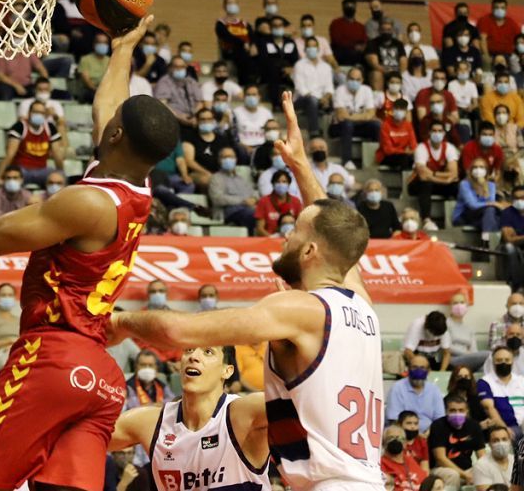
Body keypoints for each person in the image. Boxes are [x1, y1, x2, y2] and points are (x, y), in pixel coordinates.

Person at [0, 13, 179, 491]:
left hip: (52, 353)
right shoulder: (135, 184)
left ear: (116, 136)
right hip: (100, 375)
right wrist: (123, 47)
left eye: (112, 124)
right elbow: (111, 105)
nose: (106, 119)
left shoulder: (87, 202)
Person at [109, 90, 384, 490]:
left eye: (294, 233)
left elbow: (181, 332)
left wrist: (120, 321)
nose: (284, 237)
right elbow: (338, 234)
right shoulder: (363, 308)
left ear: (309, 251)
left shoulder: (302, 308)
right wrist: (301, 166)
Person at [105, 345, 268, 491]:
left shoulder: (244, 413)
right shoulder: (151, 422)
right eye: (189, 350)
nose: (194, 356)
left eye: (208, 352)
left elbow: (291, 402)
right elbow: (89, 438)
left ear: (227, 370)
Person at [409, 121, 461, 231]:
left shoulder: (449, 148)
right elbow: (423, 174)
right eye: (434, 131)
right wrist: (444, 179)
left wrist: (433, 174)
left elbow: (454, 173)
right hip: (418, 184)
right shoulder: (421, 148)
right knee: (425, 184)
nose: (437, 133)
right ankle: (426, 220)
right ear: (429, 133)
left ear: (444, 133)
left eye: (439, 131)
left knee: (456, 185)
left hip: (435, 182)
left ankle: (457, 219)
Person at [428, 394, 486, 489]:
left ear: (467, 411)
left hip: (467, 469)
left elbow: (482, 456)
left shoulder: (474, 425)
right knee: (453, 474)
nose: (457, 413)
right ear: (446, 411)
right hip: (441, 469)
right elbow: (440, 458)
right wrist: (464, 475)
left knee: (487, 470)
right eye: (453, 410)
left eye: (461, 410)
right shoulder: (438, 425)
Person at [329, 66, 380, 170]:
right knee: (347, 124)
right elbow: (341, 115)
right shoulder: (340, 90)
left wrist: (352, 116)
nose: (354, 82)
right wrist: (363, 116)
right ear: (347, 79)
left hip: (358, 126)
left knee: (376, 125)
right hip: (338, 127)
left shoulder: (367, 90)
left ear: (362, 80)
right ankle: (347, 160)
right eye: (352, 79)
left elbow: (371, 114)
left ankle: (376, 160)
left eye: (357, 79)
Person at [384, 354, 446, 431]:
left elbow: (439, 419)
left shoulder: (434, 390)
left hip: (429, 434)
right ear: (408, 369)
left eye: (422, 368)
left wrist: (429, 434)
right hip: (403, 432)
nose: (418, 371)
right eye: (415, 367)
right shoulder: (397, 388)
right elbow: (393, 420)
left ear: (429, 371)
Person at [453, 157, 506, 239]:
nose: (478, 170)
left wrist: (484, 187)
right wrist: (492, 204)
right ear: (470, 171)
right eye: (475, 167)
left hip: (482, 217)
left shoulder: (491, 185)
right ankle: (490, 242)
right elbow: (472, 205)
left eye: (481, 167)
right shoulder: (464, 184)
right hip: (464, 216)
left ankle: (487, 240)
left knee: (497, 217)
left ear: (486, 171)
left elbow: (491, 202)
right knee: (491, 211)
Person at [208, 146, 258, 233]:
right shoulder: (216, 178)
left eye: (231, 157)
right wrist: (243, 201)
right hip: (228, 213)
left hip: (247, 209)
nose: (228, 159)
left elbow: (253, 192)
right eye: (225, 157)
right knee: (250, 215)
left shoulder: (241, 178)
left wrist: (254, 199)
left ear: (236, 159)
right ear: (219, 160)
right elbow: (217, 199)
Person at [293, 36, 335, 135]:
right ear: (305, 49)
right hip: (302, 99)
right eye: (309, 46)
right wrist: (318, 99)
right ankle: (314, 131)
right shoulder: (299, 65)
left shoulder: (326, 67)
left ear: (318, 49)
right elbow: (300, 88)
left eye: (314, 46)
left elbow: (329, 87)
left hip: (321, 99)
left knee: (336, 100)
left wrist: (326, 97)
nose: (312, 49)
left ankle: (332, 132)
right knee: (312, 100)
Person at [478, 347, 524, 437]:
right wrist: (504, 429)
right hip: (502, 429)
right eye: (499, 360)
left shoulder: (521, 381)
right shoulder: (485, 382)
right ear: (493, 363)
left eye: (507, 360)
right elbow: (489, 408)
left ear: (512, 362)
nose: (503, 363)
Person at [447, 292, 488, 372]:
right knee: (489, 355)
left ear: (466, 306)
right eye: (455, 303)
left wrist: (472, 355)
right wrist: (467, 354)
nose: (459, 306)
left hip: (469, 359)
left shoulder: (469, 328)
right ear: (450, 307)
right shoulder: (446, 324)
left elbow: (474, 350)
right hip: (453, 359)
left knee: (487, 366)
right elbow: (448, 348)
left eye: (462, 302)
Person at [254, 170, 302, 236]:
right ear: (273, 184)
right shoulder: (264, 201)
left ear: (289, 184)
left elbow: (301, 226)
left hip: (292, 240)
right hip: (269, 240)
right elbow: (259, 228)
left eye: (284, 182)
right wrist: (272, 239)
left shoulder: (296, 201)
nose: (281, 184)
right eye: (278, 182)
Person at [380, 425, 426, 491]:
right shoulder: (380, 463)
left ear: (405, 443)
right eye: (390, 438)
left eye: (399, 438)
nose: (395, 441)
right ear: (383, 443)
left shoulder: (409, 460)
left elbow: (424, 481)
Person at [377, 99, 417, 170]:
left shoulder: (408, 126)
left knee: (415, 159)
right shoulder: (385, 125)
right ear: (392, 110)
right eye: (397, 108)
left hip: (404, 155)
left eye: (402, 109)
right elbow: (388, 150)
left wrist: (408, 152)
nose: (399, 111)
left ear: (406, 112)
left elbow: (413, 146)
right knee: (404, 159)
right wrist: (404, 151)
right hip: (386, 156)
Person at [472, 426, 513, 490]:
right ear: (489, 444)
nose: (501, 443)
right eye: (496, 440)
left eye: (504, 439)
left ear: (510, 441)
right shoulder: (480, 465)